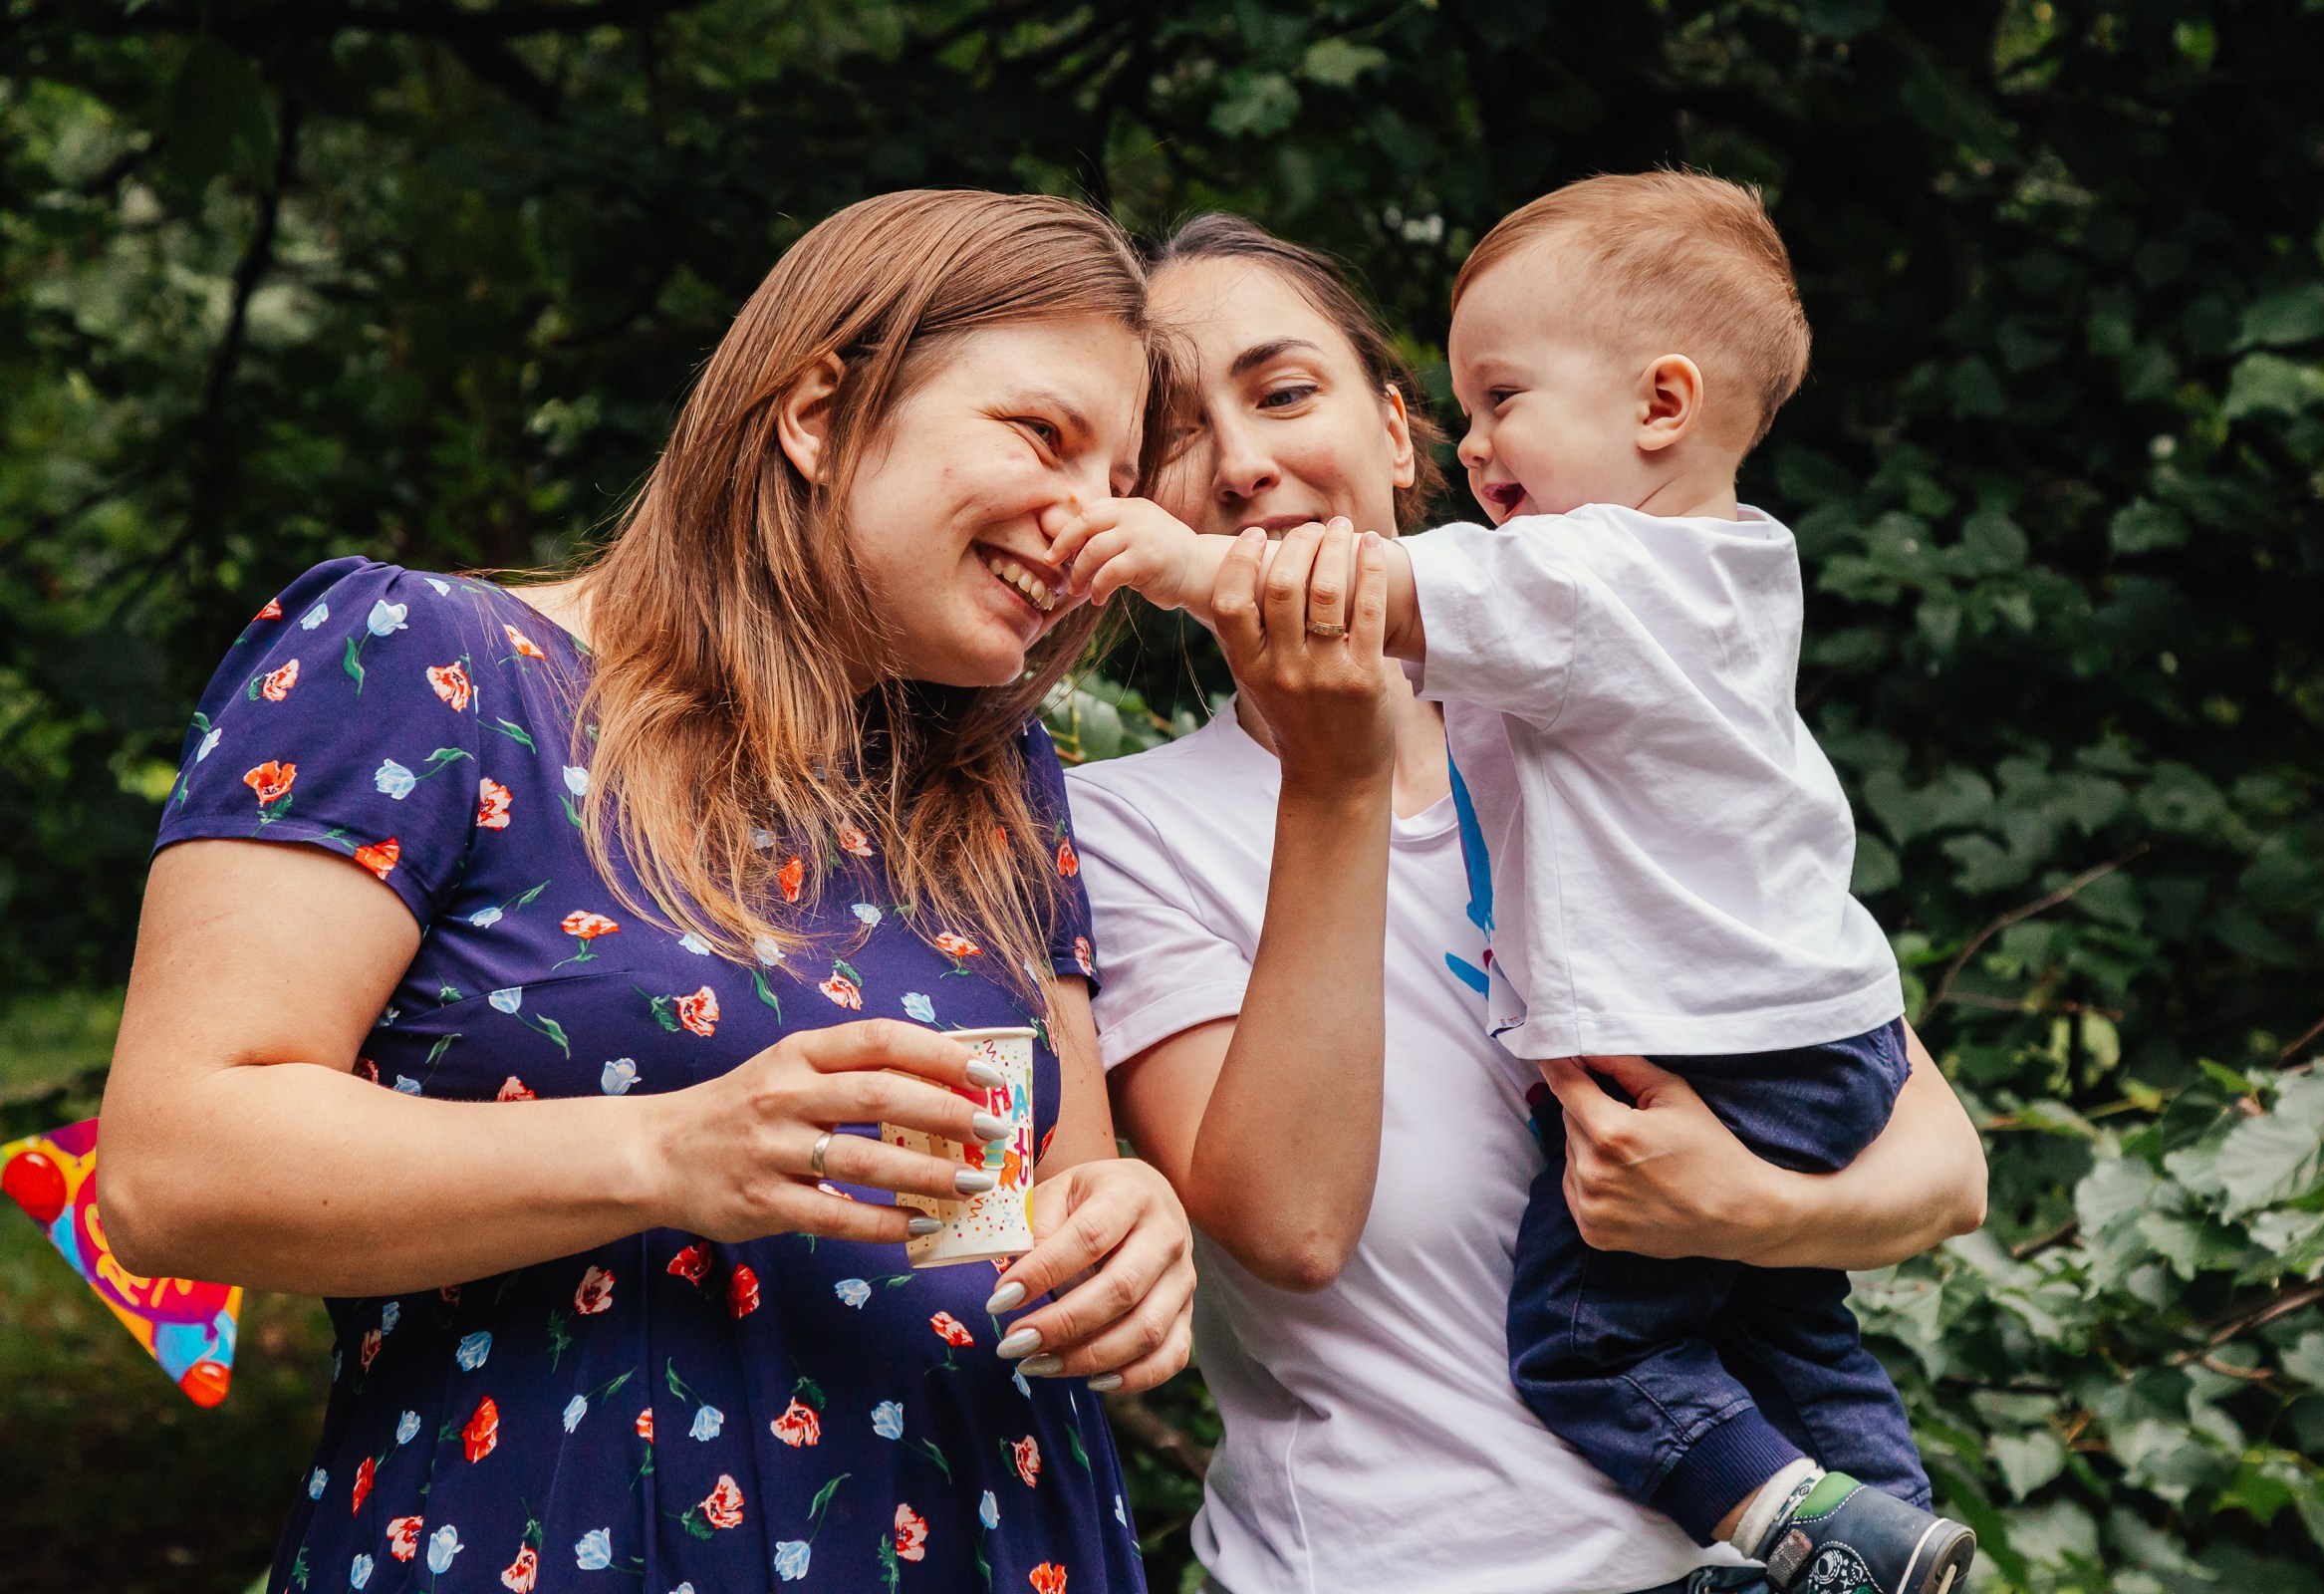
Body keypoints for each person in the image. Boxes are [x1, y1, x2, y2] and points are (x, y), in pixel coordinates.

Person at [96, 189, 1196, 1594]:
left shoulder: (995, 783)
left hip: (997, 1537)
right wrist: (663, 1152)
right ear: (815, 410)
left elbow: (1047, 1196)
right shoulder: (421, 666)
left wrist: (1129, 1234)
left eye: (1122, 485)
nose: (1097, 526)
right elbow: (173, 1163)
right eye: (1045, 438)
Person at [1060, 211, 1990, 1594]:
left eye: (1284, 392)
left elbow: (1945, 1169)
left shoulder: (1600, 723)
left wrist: (1735, 1206)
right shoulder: (1122, 831)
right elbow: (1294, 1233)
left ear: (1397, 432)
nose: (1244, 464)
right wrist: (1337, 777)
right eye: (1177, 431)